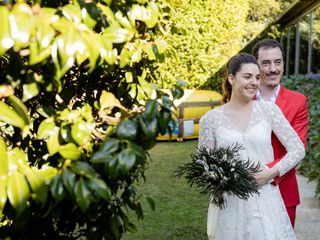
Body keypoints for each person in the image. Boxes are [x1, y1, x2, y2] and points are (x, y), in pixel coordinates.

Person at [199, 53, 305, 240]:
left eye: (257, 77)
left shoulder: (268, 110)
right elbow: (204, 166)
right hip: (229, 203)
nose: (254, 82)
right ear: (231, 78)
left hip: (265, 199)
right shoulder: (210, 119)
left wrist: (270, 173)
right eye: (247, 77)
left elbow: (297, 149)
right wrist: (224, 180)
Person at [252, 39, 308, 227]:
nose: (273, 69)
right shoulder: (243, 99)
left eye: (278, 62)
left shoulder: (298, 101)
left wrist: (265, 174)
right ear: (256, 65)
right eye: (266, 63)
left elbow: (298, 148)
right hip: (246, 190)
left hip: (283, 189)